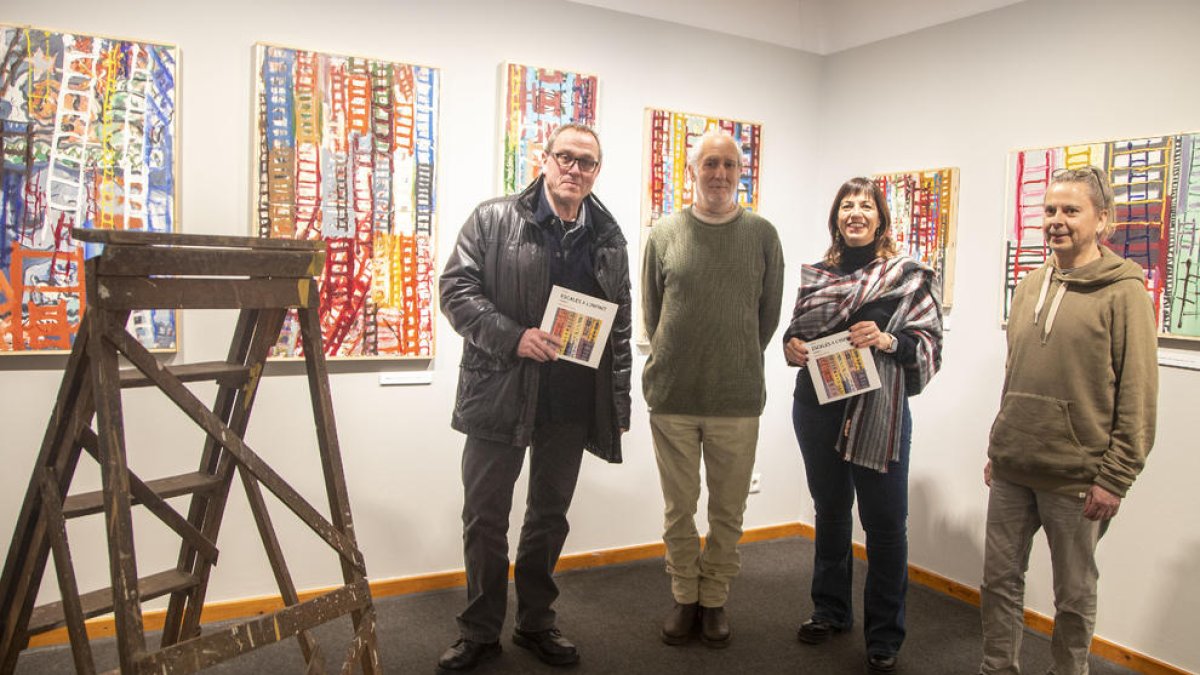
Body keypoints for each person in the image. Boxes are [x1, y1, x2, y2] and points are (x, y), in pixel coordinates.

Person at [437, 123, 632, 672]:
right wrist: (513, 336)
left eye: (586, 162)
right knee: (484, 516)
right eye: (565, 157)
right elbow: (456, 290)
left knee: (549, 516)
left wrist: (618, 404)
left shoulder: (609, 238)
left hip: (569, 400)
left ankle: (536, 623)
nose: (574, 169)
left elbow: (619, 327)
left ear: (597, 172)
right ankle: (478, 632)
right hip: (499, 391)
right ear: (543, 161)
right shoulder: (493, 218)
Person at [979, 166, 1157, 675]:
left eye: (1071, 211)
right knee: (999, 584)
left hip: (1078, 478)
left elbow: (1139, 394)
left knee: (1073, 598)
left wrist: (1115, 477)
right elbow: (1014, 374)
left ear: (1103, 219)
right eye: (1050, 210)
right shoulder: (1031, 285)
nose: (1057, 221)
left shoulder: (1124, 293)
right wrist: (999, 447)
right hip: (1014, 466)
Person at [783, 176, 943, 674]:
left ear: (880, 218)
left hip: (879, 413)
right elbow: (798, 330)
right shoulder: (817, 275)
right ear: (836, 218)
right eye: (847, 205)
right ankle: (829, 611)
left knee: (885, 526)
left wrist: (887, 338)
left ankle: (884, 635)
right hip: (817, 407)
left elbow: (930, 342)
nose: (855, 212)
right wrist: (789, 345)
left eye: (865, 205)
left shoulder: (906, 276)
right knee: (830, 512)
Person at [642, 130, 785, 649]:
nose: (720, 173)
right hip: (673, 396)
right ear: (692, 170)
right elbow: (653, 312)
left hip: (737, 398)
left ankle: (715, 597)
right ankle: (685, 595)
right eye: (710, 164)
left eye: (729, 164)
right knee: (678, 508)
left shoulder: (763, 235)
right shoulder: (664, 232)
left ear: (739, 172)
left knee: (728, 510)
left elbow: (765, 319)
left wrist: (737, 355)